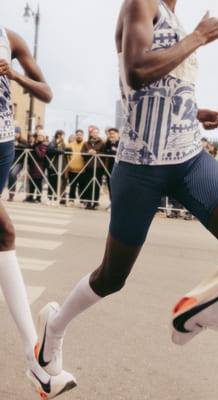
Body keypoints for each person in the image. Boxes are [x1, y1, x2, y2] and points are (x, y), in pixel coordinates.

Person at [35, 3, 218, 400]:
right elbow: (135, 72)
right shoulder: (142, 4)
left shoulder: (174, 16)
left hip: (189, 159)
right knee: (111, 278)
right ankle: (55, 325)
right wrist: (198, 38)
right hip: (140, 167)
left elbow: (161, 87)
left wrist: (193, 110)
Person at [0, 24, 77, 397]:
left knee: (3, 236)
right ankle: (38, 363)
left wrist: (13, 74)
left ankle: (38, 364)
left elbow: (46, 91)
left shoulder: (11, 39)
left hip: (2, 145)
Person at [81, 126, 105, 210]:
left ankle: (94, 202)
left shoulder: (102, 143)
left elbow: (104, 153)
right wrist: (88, 152)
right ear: (91, 134)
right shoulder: (86, 143)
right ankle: (88, 202)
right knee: (88, 184)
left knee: (96, 185)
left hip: (98, 167)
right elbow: (82, 153)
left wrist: (96, 152)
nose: (95, 134)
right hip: (89, 166)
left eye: (96, 132)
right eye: (93, 132)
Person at [26, 133, 49, 203]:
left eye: (41, 136)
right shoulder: (35, 144)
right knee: (31, 181)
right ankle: (30, 196)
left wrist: (35, 147)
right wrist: (32, 145)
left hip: (40, 165)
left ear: (43, 137)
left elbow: (41, 155)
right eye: (38, 136)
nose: (39, 137)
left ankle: (38, 198)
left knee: (38, 181)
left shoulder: (44, 145)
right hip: (32, 165)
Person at [66, 130, 86, 205]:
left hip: (82, 169)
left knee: (82, 186)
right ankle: (71, 200)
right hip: (72, 169)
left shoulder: (85, 144)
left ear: (83, 136)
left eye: (80, 135)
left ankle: (82, 201)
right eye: (77, 134)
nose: (79, 136)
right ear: (75, 135)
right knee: (72, 186)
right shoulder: (70, 144)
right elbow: (67, 155)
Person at [47, 130, 67, 204]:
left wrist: (65, 150)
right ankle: (49, 198)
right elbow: (50, 149)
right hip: (52, 165)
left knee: (57, 183)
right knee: (52, 182)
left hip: (59, 166)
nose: (63, 137)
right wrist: (60, 151)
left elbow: (64, 150)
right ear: (59, 135)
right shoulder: (53, 142)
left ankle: (55, 199)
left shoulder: (62, 143)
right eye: (63, 135)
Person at [7, 128, 28, 201]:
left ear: (20, 133)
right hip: (9, 161)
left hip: (19, 163)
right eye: (15, 133)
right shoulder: (10, 140)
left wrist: (18, 144)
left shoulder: (23, 141)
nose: (16, 134)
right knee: (9, 175)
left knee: (12, 174)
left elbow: (27, 146)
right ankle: (10, 193)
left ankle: (11, 194)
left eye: (17, 133)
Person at [101, 128, 120, 200]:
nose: (111, 135)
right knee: (110, 184)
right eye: (110, 134)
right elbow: (105, 152)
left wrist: (113, 151)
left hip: (119, 167)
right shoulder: (107, 143)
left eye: (113, 133)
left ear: (117, 134)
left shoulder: (121, 143)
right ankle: (112, 202)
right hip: (109, 167)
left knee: (118, 185)